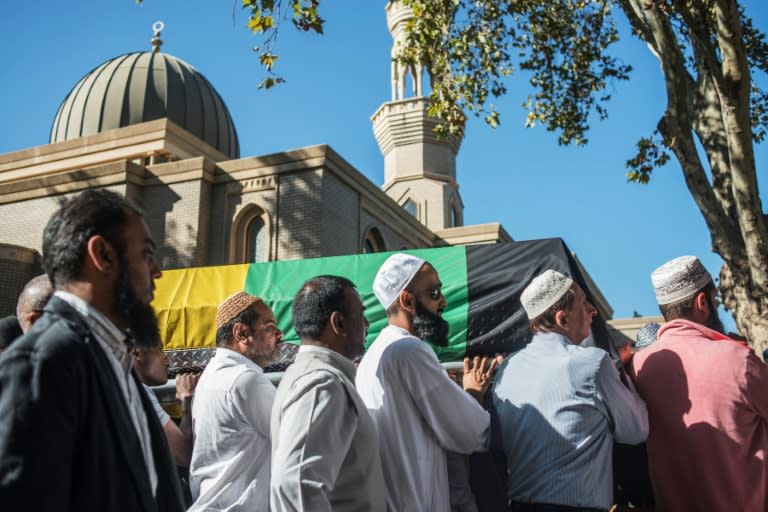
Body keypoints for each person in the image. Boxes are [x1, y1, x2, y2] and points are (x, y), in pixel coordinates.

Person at [0, 189, 184, 511]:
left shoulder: (113, 360)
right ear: (102, 254)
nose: (157, 271)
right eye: (145, 254)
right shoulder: (44, 362)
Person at [493, 269, 648, 512]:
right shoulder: (592, 363)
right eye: (584, 303)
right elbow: (636, 430)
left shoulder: (508, 368)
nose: (592, 311)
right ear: (562, 319)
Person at [356, 253, 496, 511]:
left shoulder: (376, 353)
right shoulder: (410, 351)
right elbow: (469, 432)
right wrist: (473, 392)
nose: (442, 302)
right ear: (407, 300)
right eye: (433, 293)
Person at [630, 256, 768, 511]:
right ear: (701, 302)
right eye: (715, 300)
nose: (717, 306)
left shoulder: (639, 367)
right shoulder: (737, 359)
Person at [270, 275, 385, 511]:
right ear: (338, 323)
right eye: (361, 315)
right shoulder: (321, 382)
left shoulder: (315, 375)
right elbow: (296, 485)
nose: (366, 324)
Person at [189, 291, 282, 512]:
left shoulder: (212, 375)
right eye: (269, 327)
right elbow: (296, 439)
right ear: (241, 333)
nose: (280, 334)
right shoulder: (245, 380)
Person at [131, 343, 199, 468]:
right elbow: (184, 453)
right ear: (137, 353)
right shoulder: (137, 392)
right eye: (160, 350)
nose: (167, 359)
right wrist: (187, 398)